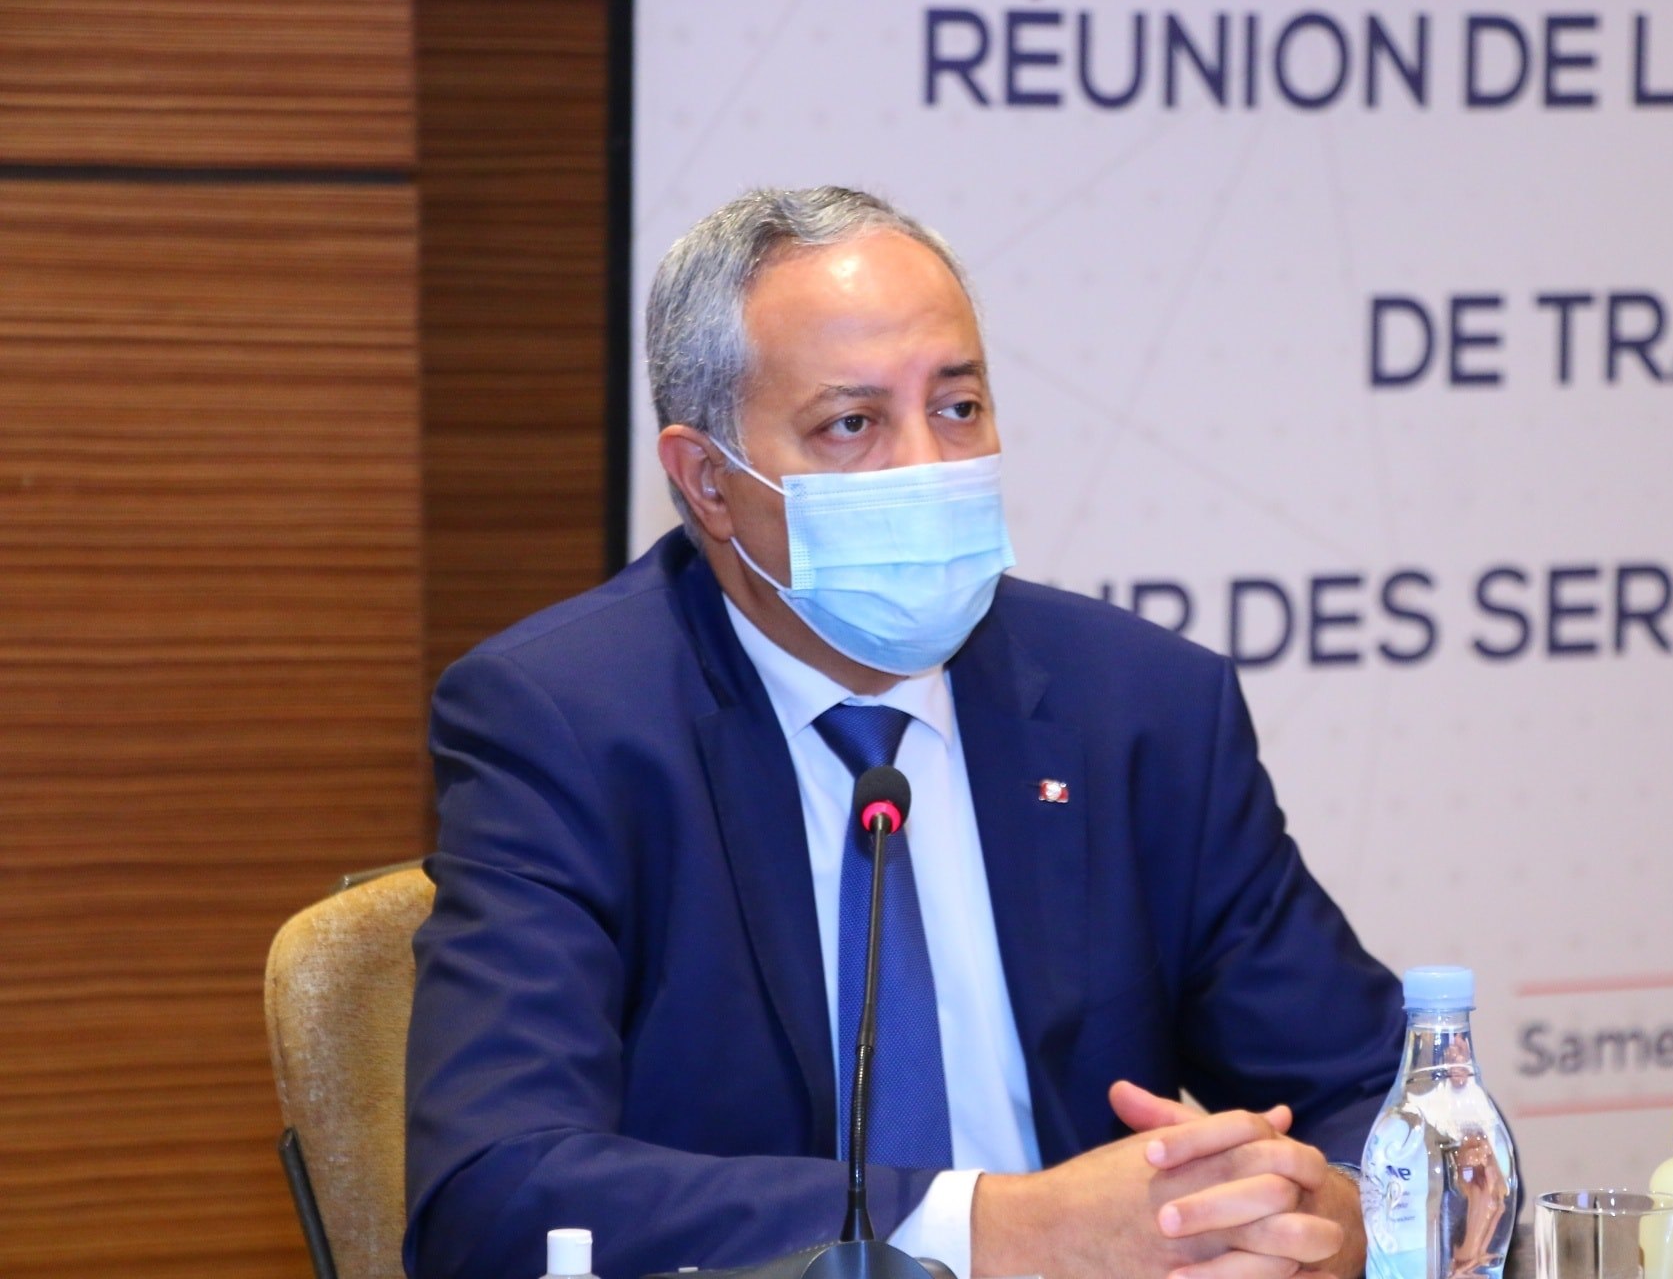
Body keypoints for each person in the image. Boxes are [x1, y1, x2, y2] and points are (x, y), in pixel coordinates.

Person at [404, 186, 1404, 1279]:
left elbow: (1382, 1092)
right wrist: (999, 1229)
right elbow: (495, 1193)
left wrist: (1343, 1213)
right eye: (853, 423)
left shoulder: (1141, 706)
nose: (929, 464)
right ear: (708, 482)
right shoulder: (567, 722)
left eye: (959, 407)